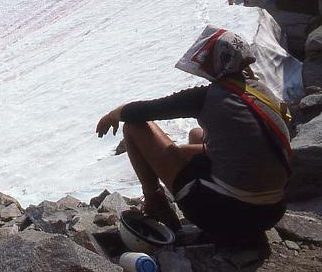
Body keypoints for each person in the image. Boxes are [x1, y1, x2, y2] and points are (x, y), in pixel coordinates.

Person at [96, 28, 292, 240]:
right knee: (197, 134)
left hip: (230, 215)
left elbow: (139, 112)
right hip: (272, 210)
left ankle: (155, 201)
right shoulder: (257, 89)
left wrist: (113, 114)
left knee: (133, 127)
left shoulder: (207, 97)